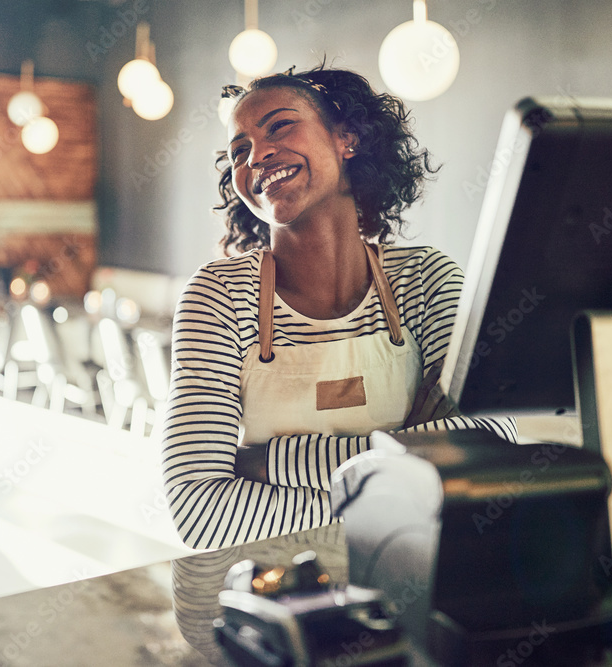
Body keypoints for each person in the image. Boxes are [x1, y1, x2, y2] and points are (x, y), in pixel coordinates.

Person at [161, 65, 516, 551]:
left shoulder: (426, 281)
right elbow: (200, 513)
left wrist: (270, 461)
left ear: (347, 137)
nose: (257, 155)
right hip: (279, 590)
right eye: (238, 150)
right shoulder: (219, 296)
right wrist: (400, 498)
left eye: (279, 126)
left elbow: (485, 443)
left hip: (410, 587)